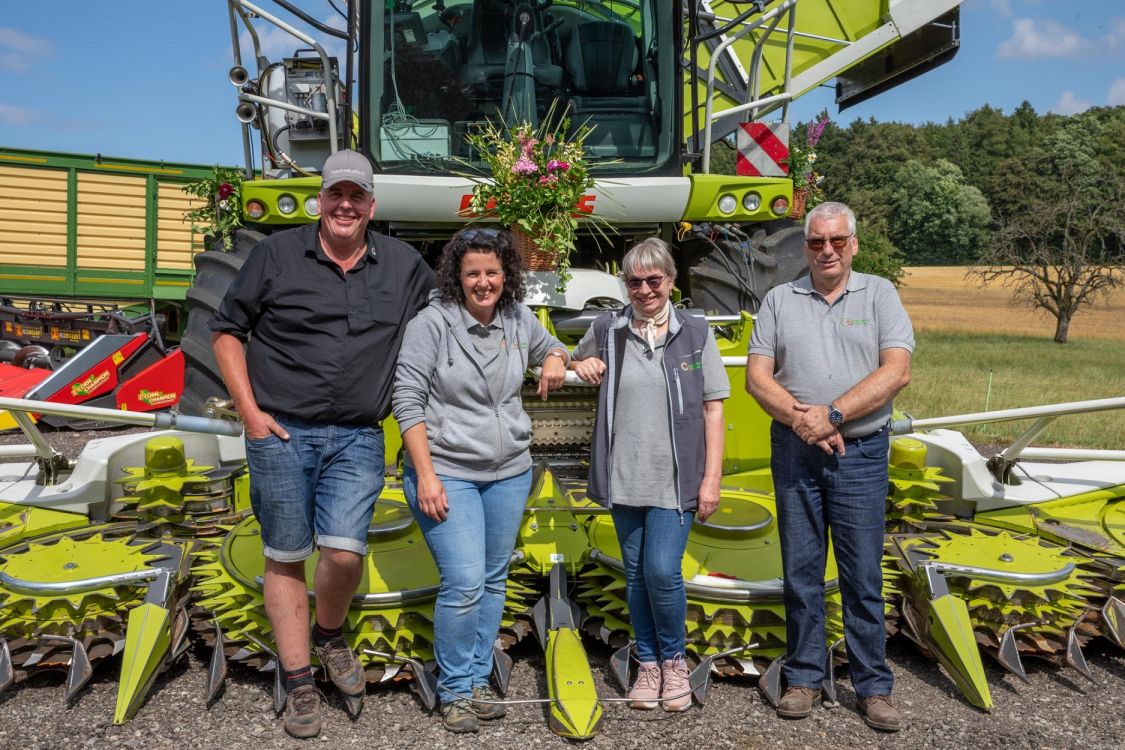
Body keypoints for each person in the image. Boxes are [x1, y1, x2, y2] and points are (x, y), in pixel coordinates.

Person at [209, 150, 436, 739]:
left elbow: (455, 317)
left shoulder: (405, 265)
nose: (344, 205)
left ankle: (330, 633)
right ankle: (298, 677)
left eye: (355, 196)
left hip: (358, 435)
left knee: (341, 553)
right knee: (285, 552)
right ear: (320, 199)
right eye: (335, 194)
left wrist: (541, 347)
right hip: (281, 431)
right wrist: (251, 414)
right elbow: (227, 332)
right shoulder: (277, 254)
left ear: (371, 206)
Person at [392, 227, 568, 733]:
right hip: (447, 471)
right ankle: (453, 690)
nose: (484, 282)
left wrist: (556, 357)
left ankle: (473, 680)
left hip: (510, 471)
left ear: (506, 274)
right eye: (473, 273)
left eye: (492, 272)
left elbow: (552, 344)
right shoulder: (431, 325)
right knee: (464, 581)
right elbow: (407, 401)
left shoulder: (517, 319)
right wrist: (425, 475)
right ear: (456, 277)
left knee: (493, 580)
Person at [745, 201, 913, 732]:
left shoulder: (880, 294)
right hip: (796, 450)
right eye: (817, 242)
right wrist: (806, 421)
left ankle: (873, 686)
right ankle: (804, 677)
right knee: (801, 569)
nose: (827, 250)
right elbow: (757, 378)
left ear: (853, 244)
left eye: (837, 241)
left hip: (860, 452)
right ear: (807, 246)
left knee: (861, 571)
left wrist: (834, 414)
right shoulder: (779, 299)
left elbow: (897, 372)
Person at [569, 237, 728, 713]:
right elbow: (561, 357)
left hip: (675, 479)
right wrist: (581, 360)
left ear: (671, 281)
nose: (643, 290)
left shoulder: (695, 333)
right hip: (624, 478)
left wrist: (711, 478)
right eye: (634, 281)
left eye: (653, 280)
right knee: (637, 576)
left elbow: (713, 408)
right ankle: (649, 665)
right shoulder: (608, 328)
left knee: (661, 571)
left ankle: (675, 660)